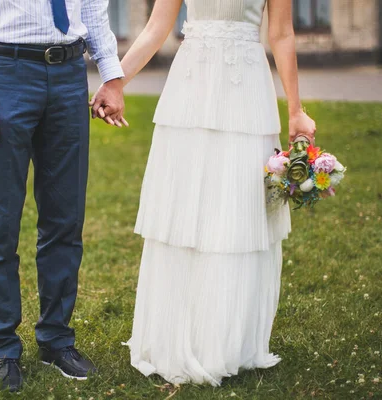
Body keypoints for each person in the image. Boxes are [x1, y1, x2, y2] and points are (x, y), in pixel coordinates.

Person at [94, 0, 316, 385]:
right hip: (191, 89)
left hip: (246, 91)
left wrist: (296, 110)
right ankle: (177, 337)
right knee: (185, 210)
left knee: (239, 209)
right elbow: (155, 28)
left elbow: (281, 33)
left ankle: (227, 342)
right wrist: (115, 81)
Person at [0, 0, 126, 392]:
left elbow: (92, 6)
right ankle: (4, 348)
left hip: (69, 74)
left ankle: (56, 340)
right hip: (2, 72)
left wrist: (111, 75)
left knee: (66, 218)